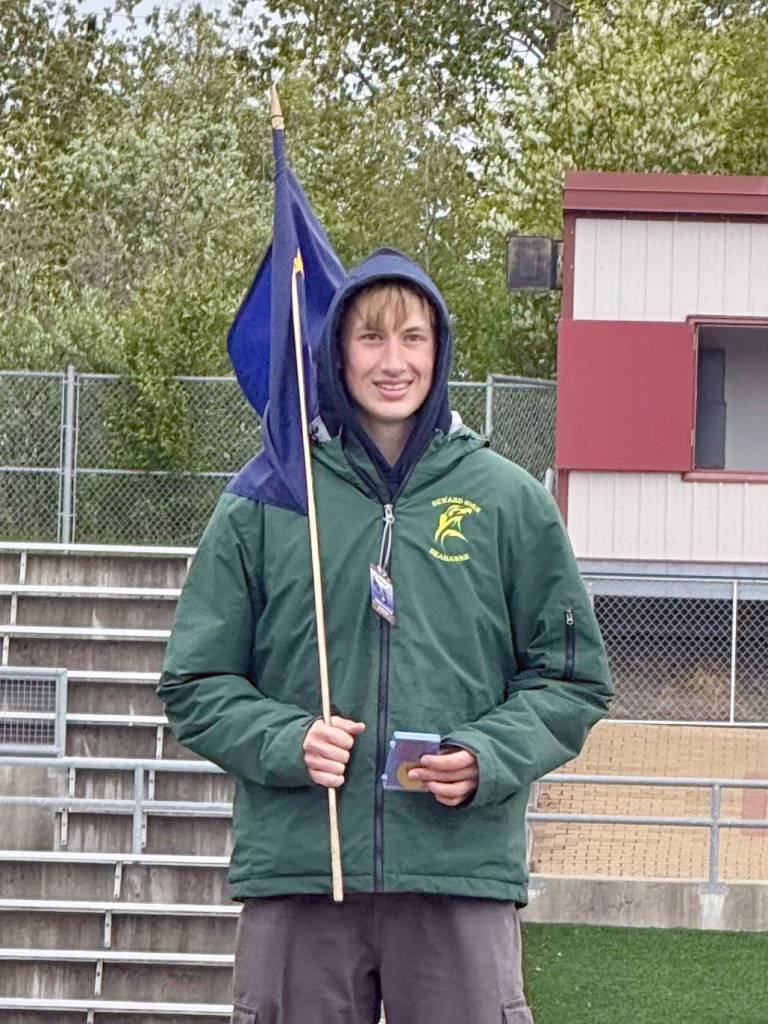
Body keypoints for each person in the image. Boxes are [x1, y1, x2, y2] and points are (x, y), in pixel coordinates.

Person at [158, 248, 613, 1024]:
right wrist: (286, 739)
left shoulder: (507, 501)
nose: (393, 362)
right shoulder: (269, 498)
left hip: (456, 873)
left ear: (441, 350)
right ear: (336, 351)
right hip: (303, 871)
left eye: (413, 338)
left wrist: (488, 756)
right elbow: (194, 683)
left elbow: (571, 680)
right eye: (371, 339)